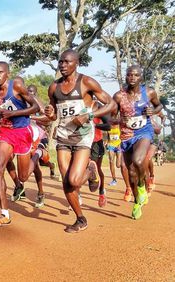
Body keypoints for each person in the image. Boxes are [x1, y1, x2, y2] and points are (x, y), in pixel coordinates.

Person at [44, 49, 116, 233]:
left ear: (77, 63)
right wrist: (50, 113)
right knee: (66, 182)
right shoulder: (54, 87)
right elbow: (53, 115)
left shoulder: (86, 82)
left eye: (67, 62)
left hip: (83, 134)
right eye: (60, 62)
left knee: (75, 180)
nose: (63, 65)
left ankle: (91, 171)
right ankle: (80, 219)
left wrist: (89, 115)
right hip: (63, 135)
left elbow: (111, 104)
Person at [0, 61, 44, 227]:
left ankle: (37, 154)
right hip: (5, 133)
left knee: (24, 177)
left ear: (7, 74)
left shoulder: (16, 85)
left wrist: (14, 113)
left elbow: (34, 107)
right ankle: (5, 214)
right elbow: (2, 112)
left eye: (0, 72)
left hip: (22, 131)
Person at [112, 65, 162, 220]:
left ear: (141, 77)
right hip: (126, 135)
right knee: (131, 173)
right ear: (126, 77)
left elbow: (159, 105)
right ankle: (137, 201)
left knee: (138, 160)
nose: (132, 78)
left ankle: (142, 188)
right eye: (129, 75)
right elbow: (111, 118)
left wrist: (153, 111)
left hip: (144, 132)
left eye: (135, 75)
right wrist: (120, 119)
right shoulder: (119, 96)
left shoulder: (149, 92)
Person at [89, 102, 111, 208]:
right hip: (81, 142)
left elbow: (108, 126)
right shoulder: (78, 104)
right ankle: (77, 194)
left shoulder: (97, 106)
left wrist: (95, 125)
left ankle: (102, 192)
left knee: (97, 168)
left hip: (96, 143)